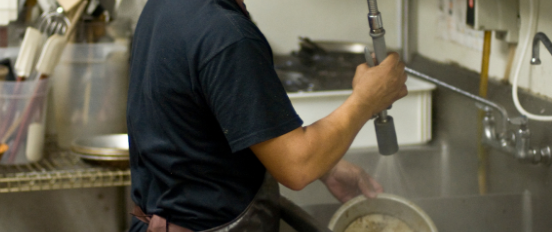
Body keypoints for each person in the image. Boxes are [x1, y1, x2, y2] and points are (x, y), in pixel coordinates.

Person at [126, 0, 408, 231]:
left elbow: (206, 129)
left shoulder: (167, 7)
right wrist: (366, 100)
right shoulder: (226, 34)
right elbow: (297, 167)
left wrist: (328, 166)